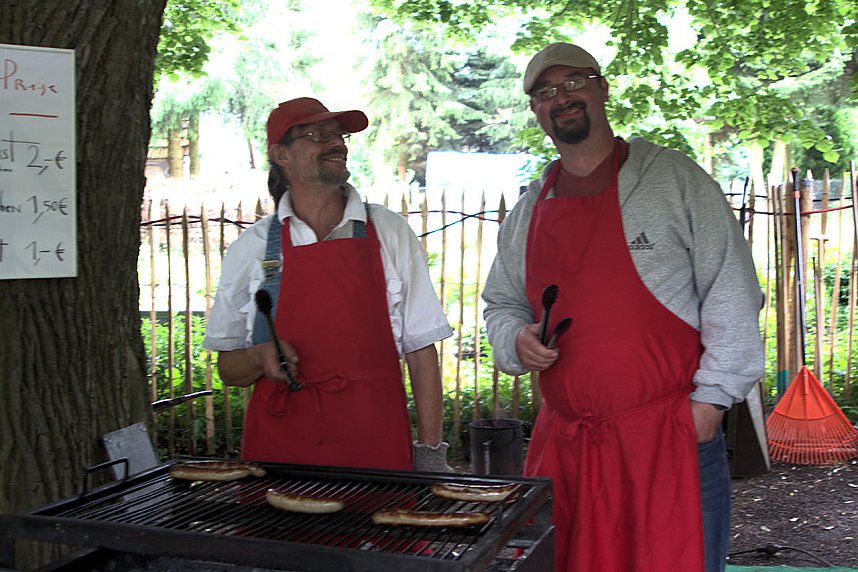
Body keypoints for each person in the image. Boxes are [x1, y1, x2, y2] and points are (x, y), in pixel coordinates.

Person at [482, 43, 765, 572]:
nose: (561, 98)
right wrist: (515, 338)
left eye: (574, 83)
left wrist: (712, 402)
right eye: (545, 92)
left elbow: (732, 289)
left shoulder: (673, 180)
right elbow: (500, 302)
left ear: (602, 88)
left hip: (666, 440)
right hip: (565, 448)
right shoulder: (528, 209)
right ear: (535, 111)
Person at [203, 97, 454, 472]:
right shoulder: (252, 248)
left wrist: (431, 452)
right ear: (281, 155)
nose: (336, 144)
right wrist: (258, 357)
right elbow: (228, 369)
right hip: (281, 450)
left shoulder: (388, 232)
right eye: (318, 135)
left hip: (374, 443)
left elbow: (421, 350)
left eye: (339, 136)